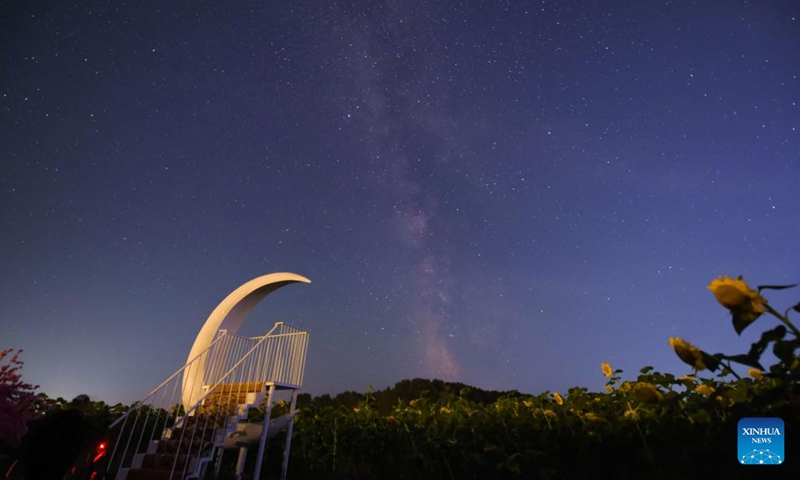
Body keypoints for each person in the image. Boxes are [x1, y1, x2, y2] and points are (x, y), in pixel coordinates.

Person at [17, 395, 92, 480]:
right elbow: (76, 445)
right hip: (56, 464)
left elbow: (36, 433)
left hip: (37, 461)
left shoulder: (55, 416)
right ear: (83, 404)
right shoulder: (79, 422)